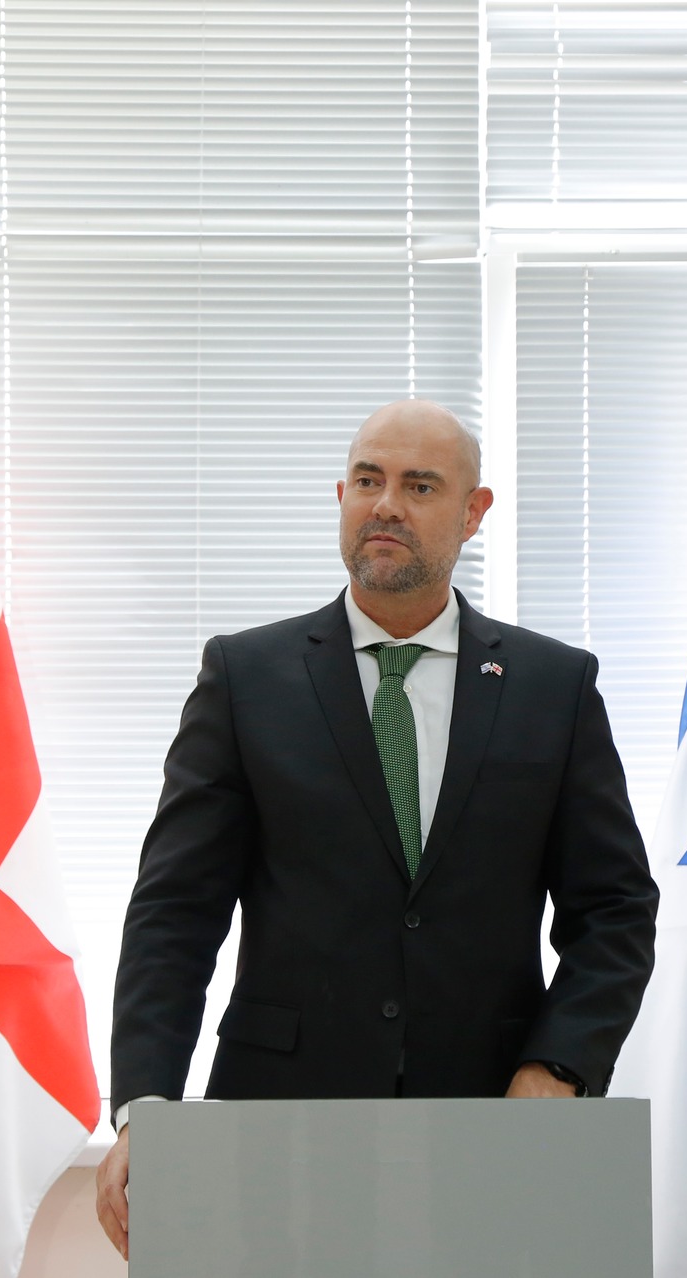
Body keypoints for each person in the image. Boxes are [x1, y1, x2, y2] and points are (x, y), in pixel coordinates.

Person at [94, 399, 657, 1256]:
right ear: (341, 495)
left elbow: (615, 908)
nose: (386, 505)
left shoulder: (554, 686)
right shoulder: (245, 678)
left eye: (419, 486)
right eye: (368, 480)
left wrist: (560, 1065)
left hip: (495, 1130)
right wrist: (146, 1108)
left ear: (473, 512)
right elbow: (175, 913)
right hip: (277, 1131)